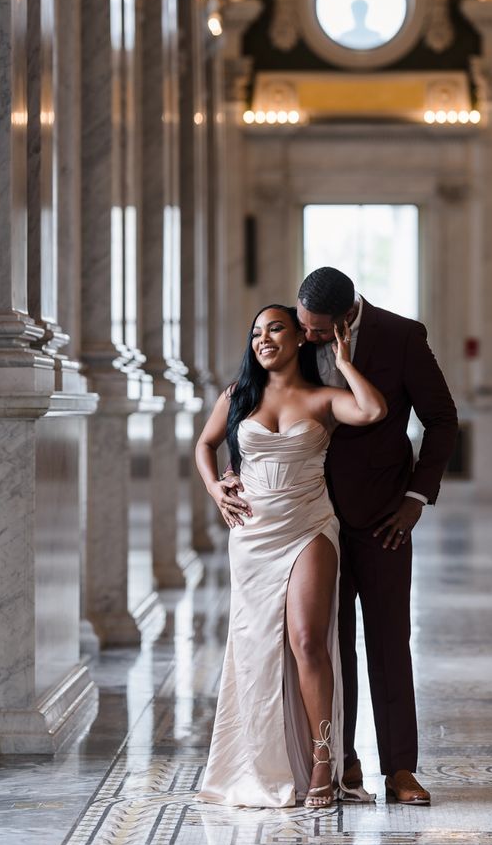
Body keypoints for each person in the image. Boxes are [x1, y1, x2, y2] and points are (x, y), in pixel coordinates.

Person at [194, 304, 387, 808]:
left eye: (275, 328)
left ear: (301, 337)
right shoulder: (238, 397)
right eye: (256, 331)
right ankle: (265, 760)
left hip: (309, 526)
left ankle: (325, 758)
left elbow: (372, 411)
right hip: (253, 536)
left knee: (307, 639)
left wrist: (343, 361)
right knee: (256, 648)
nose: (263, 339)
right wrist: (216, 488)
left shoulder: (325, 397)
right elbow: (205, 444)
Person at [296, 267, 458, 806]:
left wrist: (415, 498)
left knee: (389, 642)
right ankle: (341, 759)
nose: (308, 336)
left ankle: (400, 770)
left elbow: (441, 419)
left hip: (386, 516)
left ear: (347, 317)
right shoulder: (295, 331)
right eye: (304, 325)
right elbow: (258, 400)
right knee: (326, 644)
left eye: (319, 330)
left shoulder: (402, 336)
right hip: (311, 517)